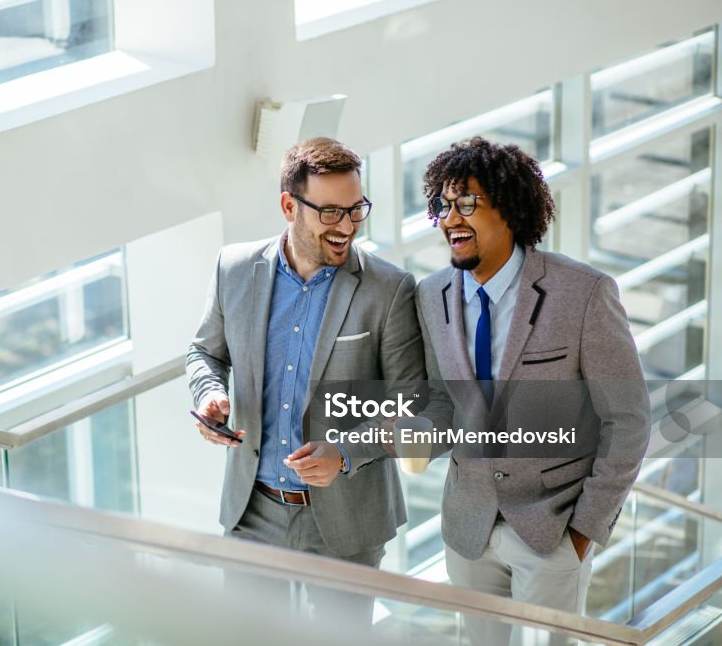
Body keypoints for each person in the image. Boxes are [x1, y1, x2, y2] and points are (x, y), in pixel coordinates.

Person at [415, 137, 650, 645]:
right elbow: (443, 403)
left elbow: (627, 420)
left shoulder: (583, 294)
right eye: (442, 205)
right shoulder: (430, 295)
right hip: (468, 527)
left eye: (467, 203)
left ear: (511, 207)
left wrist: (584, 531)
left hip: (554, 529)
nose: (451, 218)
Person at [186, 136, 424, 626]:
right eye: (331, 212)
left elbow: (412, 405)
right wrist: (210, 395)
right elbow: (205, 351)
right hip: (252, 510)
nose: (347, 226)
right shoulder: (234, 268)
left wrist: (346, 454)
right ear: (289, 205)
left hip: (347, 519)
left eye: (356, 210)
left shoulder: (390, 289)